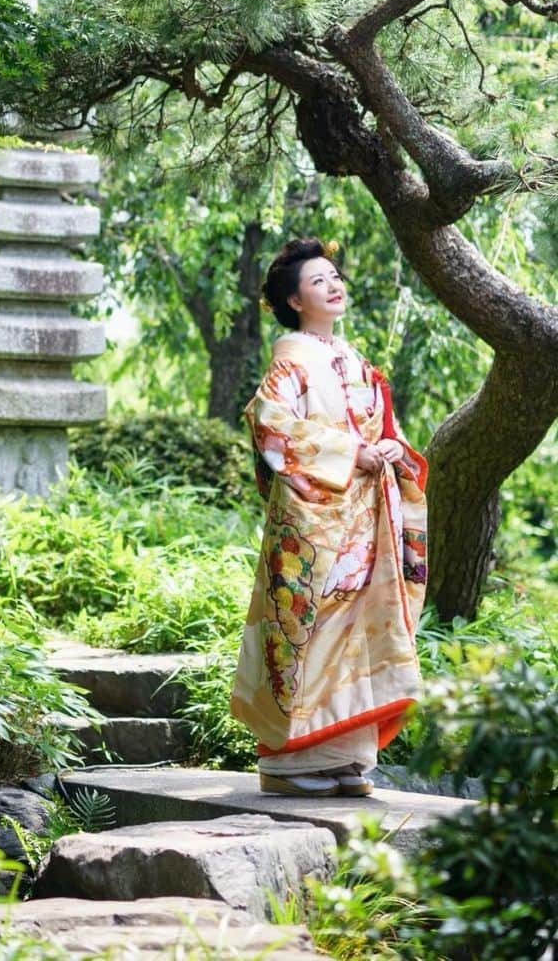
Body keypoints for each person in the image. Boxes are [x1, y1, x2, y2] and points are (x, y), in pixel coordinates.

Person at [230, 237, 429, 798]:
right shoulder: (291, 359)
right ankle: (289, 764)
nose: (334, 285)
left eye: (335, 276)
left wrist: (390, 448)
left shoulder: (353, 360)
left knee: (361, 627)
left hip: (365, 515)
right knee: (310, 626)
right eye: (319, 281)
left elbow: (379, 429)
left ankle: (346, 757)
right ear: (295, 301)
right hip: (315, 522)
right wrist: (351, 455)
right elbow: (272, 427)